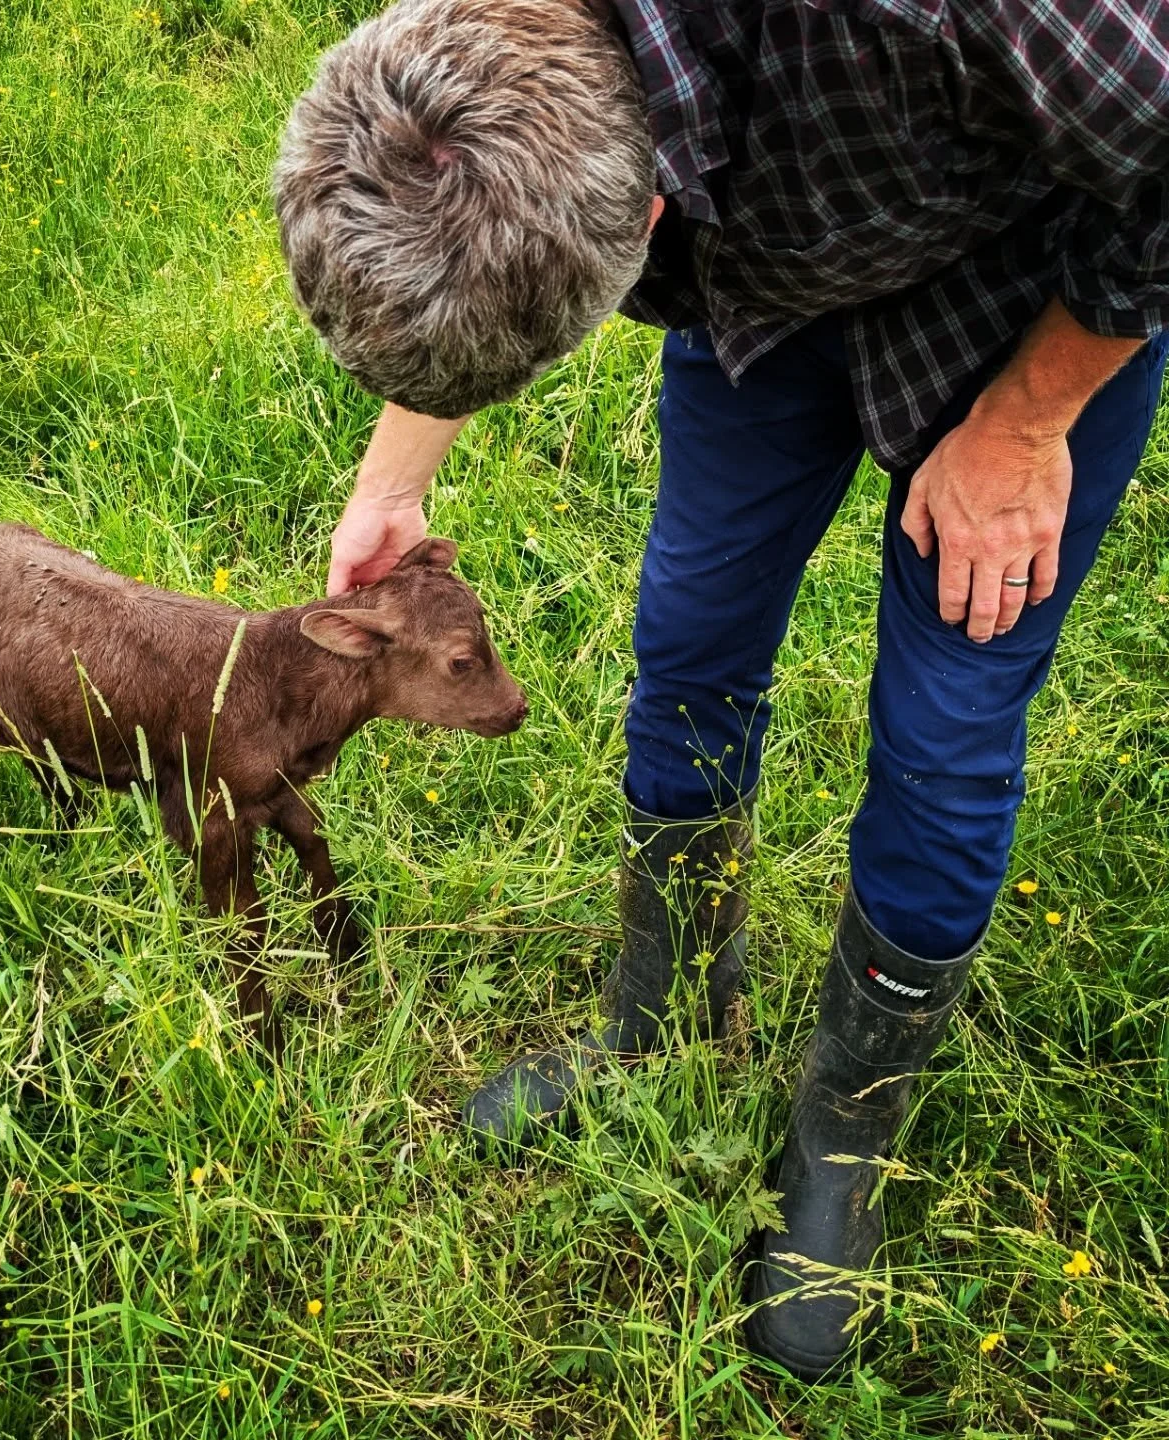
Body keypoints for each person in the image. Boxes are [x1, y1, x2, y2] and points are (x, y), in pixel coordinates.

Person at [272, 0, 1169, 1379]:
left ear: (643, 210)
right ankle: (662, 1015)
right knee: (689, 636)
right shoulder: (487, 55)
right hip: (773, 300)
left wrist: (1029, 418)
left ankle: (844, 1133)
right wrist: (397, 475)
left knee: (946, 729)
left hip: (1026, 299)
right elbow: (455, 188)